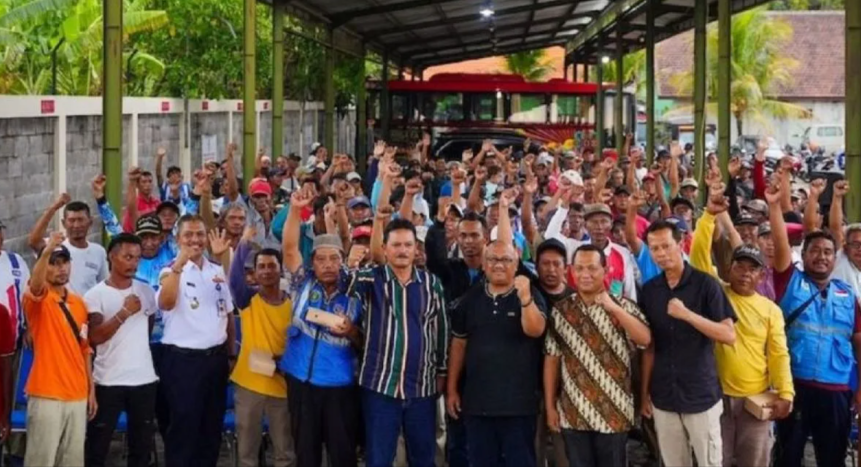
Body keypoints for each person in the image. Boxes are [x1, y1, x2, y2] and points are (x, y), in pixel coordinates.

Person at [690, 189, 794, 466]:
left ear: (762, 276)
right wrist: (708, 217)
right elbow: (698, 259)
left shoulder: (771, 310)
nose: (745, 273)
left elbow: (779, 354)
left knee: (754, 462)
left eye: (752, 269)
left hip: (755, 400)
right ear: (730, 268)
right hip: (715, 397)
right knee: (715, 460)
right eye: (740, 266)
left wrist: (786, 393)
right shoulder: (716, 293)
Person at [766, 179, 860, 467]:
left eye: (828, 252)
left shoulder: (847, 296)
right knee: (788, 458)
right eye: (815, 251)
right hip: (793, 386)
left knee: (832, 459)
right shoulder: (789, 281)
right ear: (803, 256)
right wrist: (773, 207)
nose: (821, 257)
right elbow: (781, 243)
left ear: (835, 258)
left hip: (836, 391)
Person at [348, 218, 448, 467]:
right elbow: (346, 294)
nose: (402, 250)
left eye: (408, 245)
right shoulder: (370, 279)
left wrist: (442, 371)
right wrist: (351, 264)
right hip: (380, 387)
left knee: (423, 458)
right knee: (379, 458)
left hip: (421, 388)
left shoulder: (431, 284)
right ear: (384, 248)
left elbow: (441, 330)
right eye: (396, 245)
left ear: (417, 249)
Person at [639, 220, 736, 467]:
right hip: (663, 395)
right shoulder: (650, 291)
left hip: (700, 394)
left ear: (680, 244)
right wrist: (644, 394)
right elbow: (649, 348)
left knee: (709, 462)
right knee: (673, 463)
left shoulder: (706, 285)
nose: (661, 254)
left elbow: (728, 334)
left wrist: (689, 315)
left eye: (666, 246)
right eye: (654, 248)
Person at [545, 245, 651, 466]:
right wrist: (550, 406)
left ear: (605, 269)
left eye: (592, 268)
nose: (585, 274)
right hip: (573, 412)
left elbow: (645, 340)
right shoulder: (561, 311)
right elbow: (552, 359)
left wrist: (614, 309)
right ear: (571, 271)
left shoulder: (623, 306)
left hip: (614, 412)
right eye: (580, 268)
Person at [447, 238, 547, 466]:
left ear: (516, 263)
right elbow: (459, 344)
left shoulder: (530, 294)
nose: (499, 265)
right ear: (483, 263)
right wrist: (452, 389)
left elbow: (535, 330)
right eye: (492, 259)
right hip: (477, 404)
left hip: (519, 406)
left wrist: (525, 299)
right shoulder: (470, 299)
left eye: (506, 260)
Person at [280, 189, 362, 467]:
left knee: (342, 454)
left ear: (343, 260)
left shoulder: (357, 290)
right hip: (301, 383)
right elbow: (290, 248)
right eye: (321, 259)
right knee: (306, 454)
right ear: (312, 262)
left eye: (334, 259)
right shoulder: (303, 282)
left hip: (339, 387)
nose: (328, 265)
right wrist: (294, 209)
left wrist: (351, 331)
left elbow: (367, 341)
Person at [156, 215, 235, 466]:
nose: (195, 240)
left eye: (200, 234)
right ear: (177, 239)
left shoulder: (216, 269)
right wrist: (180, 263)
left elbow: (227, 313)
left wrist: (230, 354)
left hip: (215, 361)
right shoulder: (169, 270)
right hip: (183, 362)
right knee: (183, 428)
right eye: (188, 235)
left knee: (211, 428)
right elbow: (166, 303)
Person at [83, 233, 158, 467]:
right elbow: (94, 337)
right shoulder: (95, 295)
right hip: (108, 381)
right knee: (97, 447)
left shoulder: (145, 292)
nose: (133, 263)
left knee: (141, 449)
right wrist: (123, 313)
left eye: (137, 258)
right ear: (112, 257)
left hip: (144, 380)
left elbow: (148, 327)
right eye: (127, 257)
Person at [22, 232, 95, 467]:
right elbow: (35, 285)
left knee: (73, 461)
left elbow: (84, 349)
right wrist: (46, 252)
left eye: (64, 262)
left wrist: (90, 390)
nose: (60, 268)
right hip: (47, 394)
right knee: (41, 460)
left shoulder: (79, 303)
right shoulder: (38, 300)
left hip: (77, 394)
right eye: (53, 264)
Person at [228, 227, 296, 467]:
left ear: (281, 269)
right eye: (261, 267)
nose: (266, 271)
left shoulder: (294, 304)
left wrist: (283, 362)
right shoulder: (248, 300)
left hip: (282, 387)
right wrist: (243, 244)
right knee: (247, 452)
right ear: (254, 273)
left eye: (271, 266)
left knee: (284, 453)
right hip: (249, 385)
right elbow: (234, 279)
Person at [546, 203, 637, 300]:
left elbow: (630, 294)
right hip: (577, 311)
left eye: (604, 221)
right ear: (585, 225)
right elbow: (550, 237)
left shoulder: (623, 254)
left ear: (611, 224)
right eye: (594, 222)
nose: (599, 227)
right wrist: (564, 205)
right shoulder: (573, 248)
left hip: (613, 312)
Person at [29, 194, 108, 295]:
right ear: (63, 223)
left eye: (80, 220)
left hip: (85, 309)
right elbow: (34, 241)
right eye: (71, 220)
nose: (76, 225)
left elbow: (103, 285)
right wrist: (53, 208)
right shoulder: (56, 247)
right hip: (58, 307)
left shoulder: (99, 251)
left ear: (90, 222)